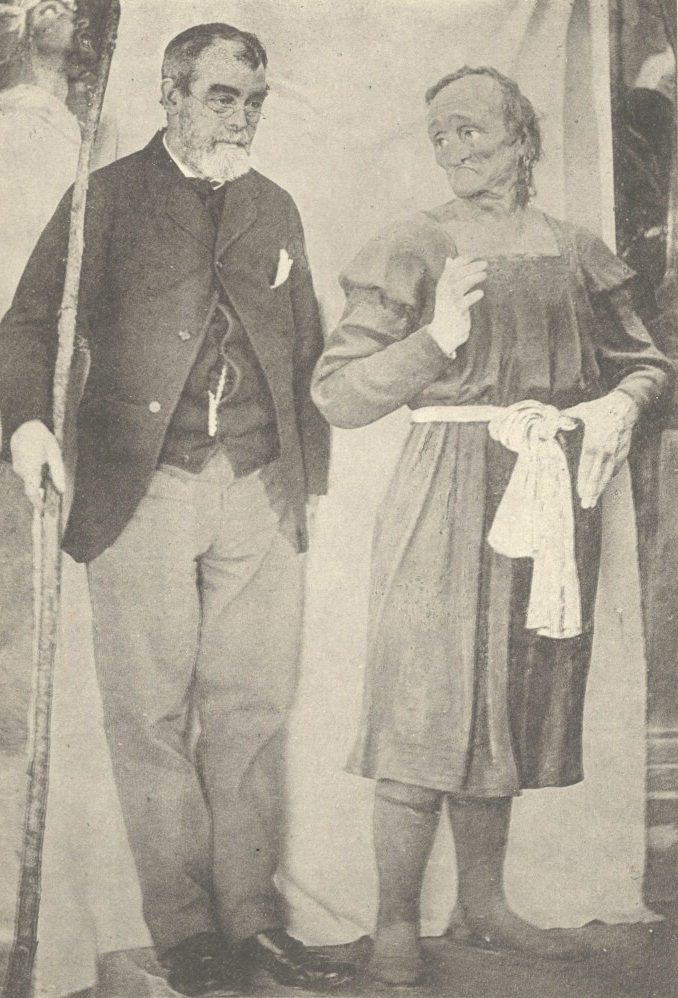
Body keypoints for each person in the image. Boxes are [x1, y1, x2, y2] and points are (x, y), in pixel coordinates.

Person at [0, 21, 353, 996]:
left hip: (259, 487)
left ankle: (253, 921)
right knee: (150, 716)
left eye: (252, 100)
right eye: (221, 96)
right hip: (139, 485)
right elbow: (30, 324)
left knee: (252, 711)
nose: (240, 117)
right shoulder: (105, 198)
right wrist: (29, 425)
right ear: (172, 94)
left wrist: (304, 479)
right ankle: (187, 932)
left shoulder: (274, 205)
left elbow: (304, 339)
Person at [311, 66, 674, 987]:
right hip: (444, 493)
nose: (453, 148)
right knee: (424, 699)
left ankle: (484, 907)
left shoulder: (577, 248)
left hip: (549, 491)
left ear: (523, 136)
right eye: (439, 134)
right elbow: (339, 393)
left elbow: (647, 362)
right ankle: (396, 922)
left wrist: (624, 401)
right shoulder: (414, 243)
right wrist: (434, 336)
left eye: (471, 128)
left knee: (509, 700)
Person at [0, 3, 172, 996]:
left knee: (38, 680)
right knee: (2, 689)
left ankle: (58, 938)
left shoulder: (88, 145)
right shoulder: (3, 139)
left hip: (42, 438)